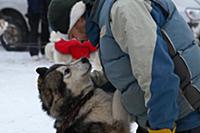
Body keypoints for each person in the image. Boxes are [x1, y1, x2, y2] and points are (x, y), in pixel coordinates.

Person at [47, 0, 200, 133]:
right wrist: (86, 83)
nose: (76, 41)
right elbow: (127, 69)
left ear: (78, 19)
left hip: (183, 117)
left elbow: (156, 71)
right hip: (159, 118)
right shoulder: (106, 23)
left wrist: (161, 127)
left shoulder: (123, 9)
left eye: (72, 35)